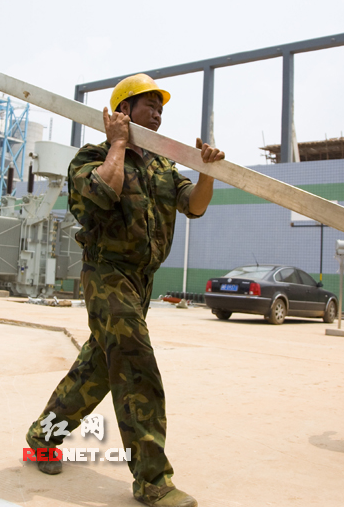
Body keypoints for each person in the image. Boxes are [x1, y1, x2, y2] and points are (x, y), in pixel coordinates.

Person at [26, 74, 225, 507]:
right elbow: (101, 193)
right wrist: (117, 143)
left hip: (141, 282)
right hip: (106, 273)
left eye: (161, 107)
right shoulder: (92, 157)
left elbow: (194, 205)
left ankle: (43, 436)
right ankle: (153, 479)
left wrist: (206, 172)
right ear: (124, 110)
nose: (157, 112)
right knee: (136, 363)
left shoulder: (162, 167)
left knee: (96, 369)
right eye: (148, 104)